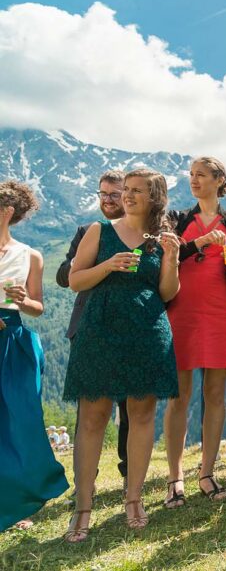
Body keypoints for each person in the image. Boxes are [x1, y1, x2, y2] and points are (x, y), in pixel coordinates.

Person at [62, 168, 180, 541]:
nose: (127, 196)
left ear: (154, 198)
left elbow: (166, 293)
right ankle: (83, 508)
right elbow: (74, 280)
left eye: (136, 191)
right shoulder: (100, 232)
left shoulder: (161, 240)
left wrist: (172, 259)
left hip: (147, 331)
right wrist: (108, 265)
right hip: (99, 330)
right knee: (93, 416)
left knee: (142, 414)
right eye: (125, 190)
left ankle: (134, 500)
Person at [164, 157, 226, 505]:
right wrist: (200, 243)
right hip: (181, 313)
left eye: (201, 175)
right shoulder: (178, 220)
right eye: (191, 175)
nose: (193, 180)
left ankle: (207, 473)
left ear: (219, 180)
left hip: (219, 313)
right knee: (179, 397)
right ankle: (175, 478)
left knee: (215, 395)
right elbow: (166, 258)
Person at [0, 180, 68, 532]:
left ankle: (17, 503)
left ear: (8, 212)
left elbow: (37, 308)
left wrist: (22, 299)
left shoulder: (31, 256)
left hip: (13, 342)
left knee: (21, 423)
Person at [56, 170, 132, 481]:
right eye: (103, 194)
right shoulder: (87, 230)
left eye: (114, 194)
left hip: (130, 328)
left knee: (131, 406)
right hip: (88, 328)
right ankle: (84, 481)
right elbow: (64, 276)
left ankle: (130, 472)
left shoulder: (140, 234)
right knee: (88, 411)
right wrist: (87, 262)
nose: (108, 200)